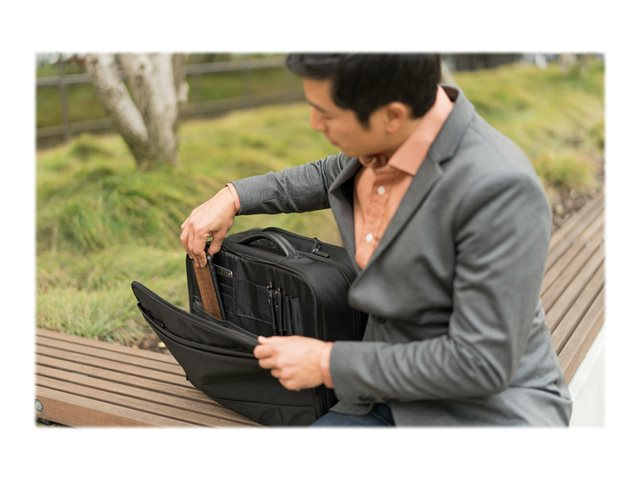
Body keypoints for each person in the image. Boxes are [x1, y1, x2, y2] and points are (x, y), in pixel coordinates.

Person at [179, 53, 572, 426]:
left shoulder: (500, 190)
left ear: (392, 116)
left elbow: (480, 362)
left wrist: (327, 364)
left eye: (325, 113)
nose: (314, 123)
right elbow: (325, 175)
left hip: (486, 412)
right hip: (379, 396)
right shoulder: (383, 144)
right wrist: (233, 197)